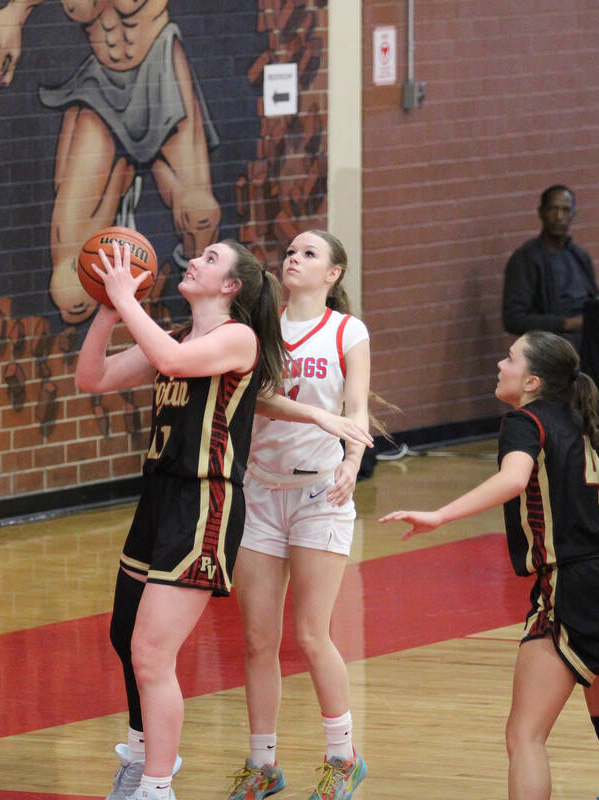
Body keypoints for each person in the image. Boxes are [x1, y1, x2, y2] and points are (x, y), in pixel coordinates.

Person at [75, 238, 371, 800]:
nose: (194, 260)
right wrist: (108, 312)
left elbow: (171, 363)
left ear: (232, 287)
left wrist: (126, 299)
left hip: (207, 501)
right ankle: (155, 763)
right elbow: (93, 378)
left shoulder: (238, 337)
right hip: (163, 498)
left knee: (158, 652)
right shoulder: (185, 336)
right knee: (129, 637)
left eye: (211, 259)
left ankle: (159, 784)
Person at [380, 331, 599, 800]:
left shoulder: (525, 421)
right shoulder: (580, 422)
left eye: (509, 359)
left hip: (573, 581)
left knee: (524, 735)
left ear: (532, 380)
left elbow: (513, 479)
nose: (500, 364)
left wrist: (440, 514)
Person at [222, 231, 370, 800]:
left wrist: (352, 461)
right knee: (258, 640)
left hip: (319, 496)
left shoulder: (346, 330)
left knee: (311, 633)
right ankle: (263, 766)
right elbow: (253, 395)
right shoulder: (259, 326)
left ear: (333, 273)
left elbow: (355, 409)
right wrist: (317, 418)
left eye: (309, 253)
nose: (294, 258)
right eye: (290, 251)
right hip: (260, 491)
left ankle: (342, 756)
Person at [0, 0, 221, 323]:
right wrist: (12, 14)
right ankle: (113, 349)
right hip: (100, 87)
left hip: (159, 68)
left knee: (200, 215)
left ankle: (199, 325)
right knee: (70, 291)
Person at [502, 185, 599, 350]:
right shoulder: (526, 258)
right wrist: (567, 324)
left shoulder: (579, 256)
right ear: (541, 213)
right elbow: (513, 319)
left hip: (590, 340)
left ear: (572, 215)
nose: (558, 216)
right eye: (552, 209)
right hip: (554, 348)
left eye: (565, 210)